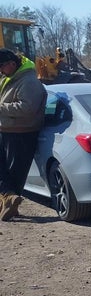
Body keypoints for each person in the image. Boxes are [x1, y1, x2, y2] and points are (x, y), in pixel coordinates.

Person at [0, 47, 47, 221]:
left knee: (15, 172)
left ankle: (10, 201)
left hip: (22, 132)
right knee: (4, 170)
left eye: (1, 66)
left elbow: (27, 108)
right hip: (6, 129)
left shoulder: (28, 81)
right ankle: (9, 198)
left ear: (12, 63)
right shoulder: (10, 77)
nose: (0, 70)